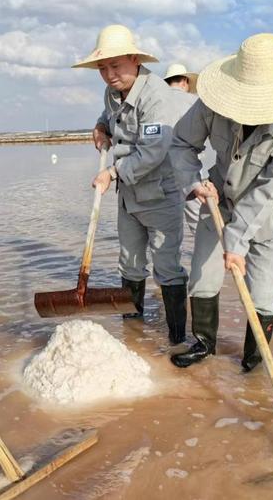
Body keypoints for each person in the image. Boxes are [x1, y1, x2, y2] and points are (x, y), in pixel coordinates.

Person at [169, 33, 273, 371]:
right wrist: (195, 183)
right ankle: (203, 343)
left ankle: (254, 361)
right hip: (218, 200)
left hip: (271, 213)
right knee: (202, 275)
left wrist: (237, 243)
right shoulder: (212, 102)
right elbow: (181, 144)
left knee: (264, 290)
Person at [73, 24, 188, 345]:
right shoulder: (113, 92)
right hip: (129, 197)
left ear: (135, 59)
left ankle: (177, 338)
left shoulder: (156, 96)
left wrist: (111, 173)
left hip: (161, 194)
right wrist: (99, 127)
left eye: (116, 66)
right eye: (102, 68)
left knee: (166, 266)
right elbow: (108, 114)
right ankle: (133, 334)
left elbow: (153, 151)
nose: (109, 74)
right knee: (130, 263)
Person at [163, 63, 206, 236]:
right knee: (200, 225)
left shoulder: (157, 102)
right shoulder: (194, 101)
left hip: (161, 175)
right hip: (191, 173)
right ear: (185, 81)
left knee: (166, 230)